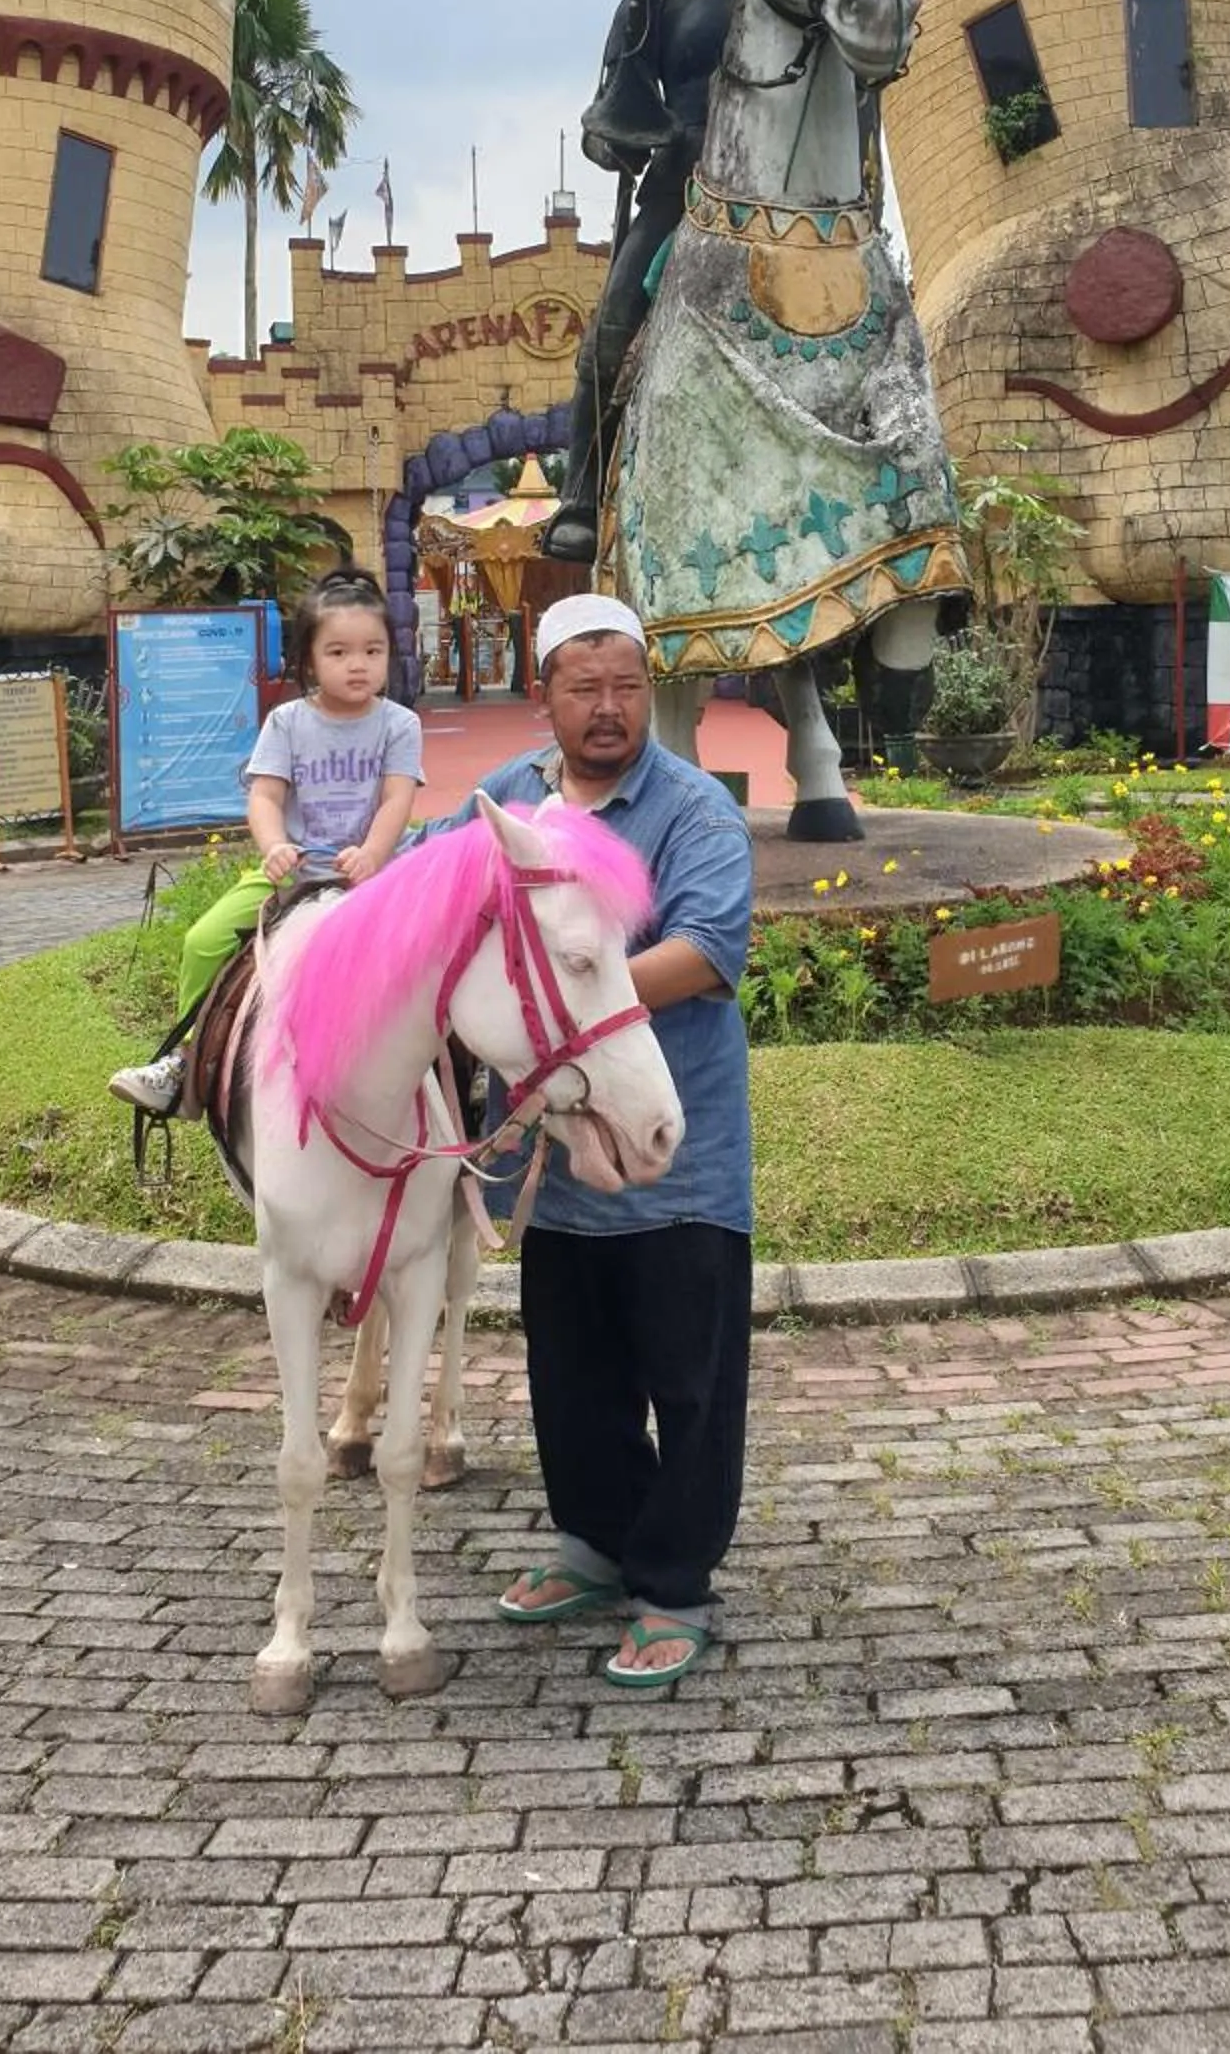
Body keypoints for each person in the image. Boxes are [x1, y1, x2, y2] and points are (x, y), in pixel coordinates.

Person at [423, 591, 753, 1687]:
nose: (610, 711)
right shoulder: (501, 804)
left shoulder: (692, 809)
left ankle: (672, 1583)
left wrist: (560, 1004)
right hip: (547, 1155)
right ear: (545, 694)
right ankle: (597, 1544)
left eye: (627, 688)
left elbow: (705, 948)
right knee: (572, 1371)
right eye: (585, 688)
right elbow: (421, 895)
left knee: (687, 1378)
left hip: (677, 1151)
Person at [108, 576, 422, 1115]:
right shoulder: (287, 722)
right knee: (203, 940)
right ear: (308, 659)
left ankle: (460, 1071)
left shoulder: (399, 724)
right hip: (295, 871)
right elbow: (265, 797)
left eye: (373, 651)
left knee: (439, 946)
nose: (358, 665)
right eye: (339, 652)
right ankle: (186, 1066)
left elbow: (397, 798)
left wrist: (372, 853)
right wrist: (274, 846)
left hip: (375, 874)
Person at [542, 0, 756, 566]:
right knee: (608, 335)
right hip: (676, 188)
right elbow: (607, 121)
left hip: (768, 184)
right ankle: (580, 486)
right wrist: (630, 134)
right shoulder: (655, 1)